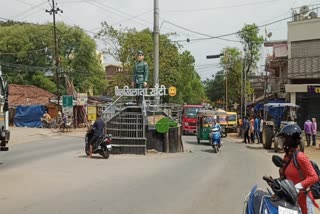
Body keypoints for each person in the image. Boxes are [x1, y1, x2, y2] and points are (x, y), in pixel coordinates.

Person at [277, 124, 319, 214]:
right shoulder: (287, 157)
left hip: (304, 200)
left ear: (290, 140)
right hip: (292, 199)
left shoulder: (300, 156)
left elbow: (314, 177)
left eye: (283, 139)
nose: (281, 142)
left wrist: (297, 186)